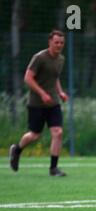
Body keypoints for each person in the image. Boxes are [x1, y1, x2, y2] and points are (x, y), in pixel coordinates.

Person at [9, 30, 69, 176]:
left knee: (58, 132)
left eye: (61, 43)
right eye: (56, 42)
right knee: (34, 135)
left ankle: (53, 168)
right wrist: (42, 94)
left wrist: (60, 92)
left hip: (53, 103)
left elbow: (55, 78)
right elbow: (28, 78)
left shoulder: (61, 59)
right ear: (50, 42)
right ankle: (17, 149)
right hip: (37, 103)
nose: (59, 45)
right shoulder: (40, 58)